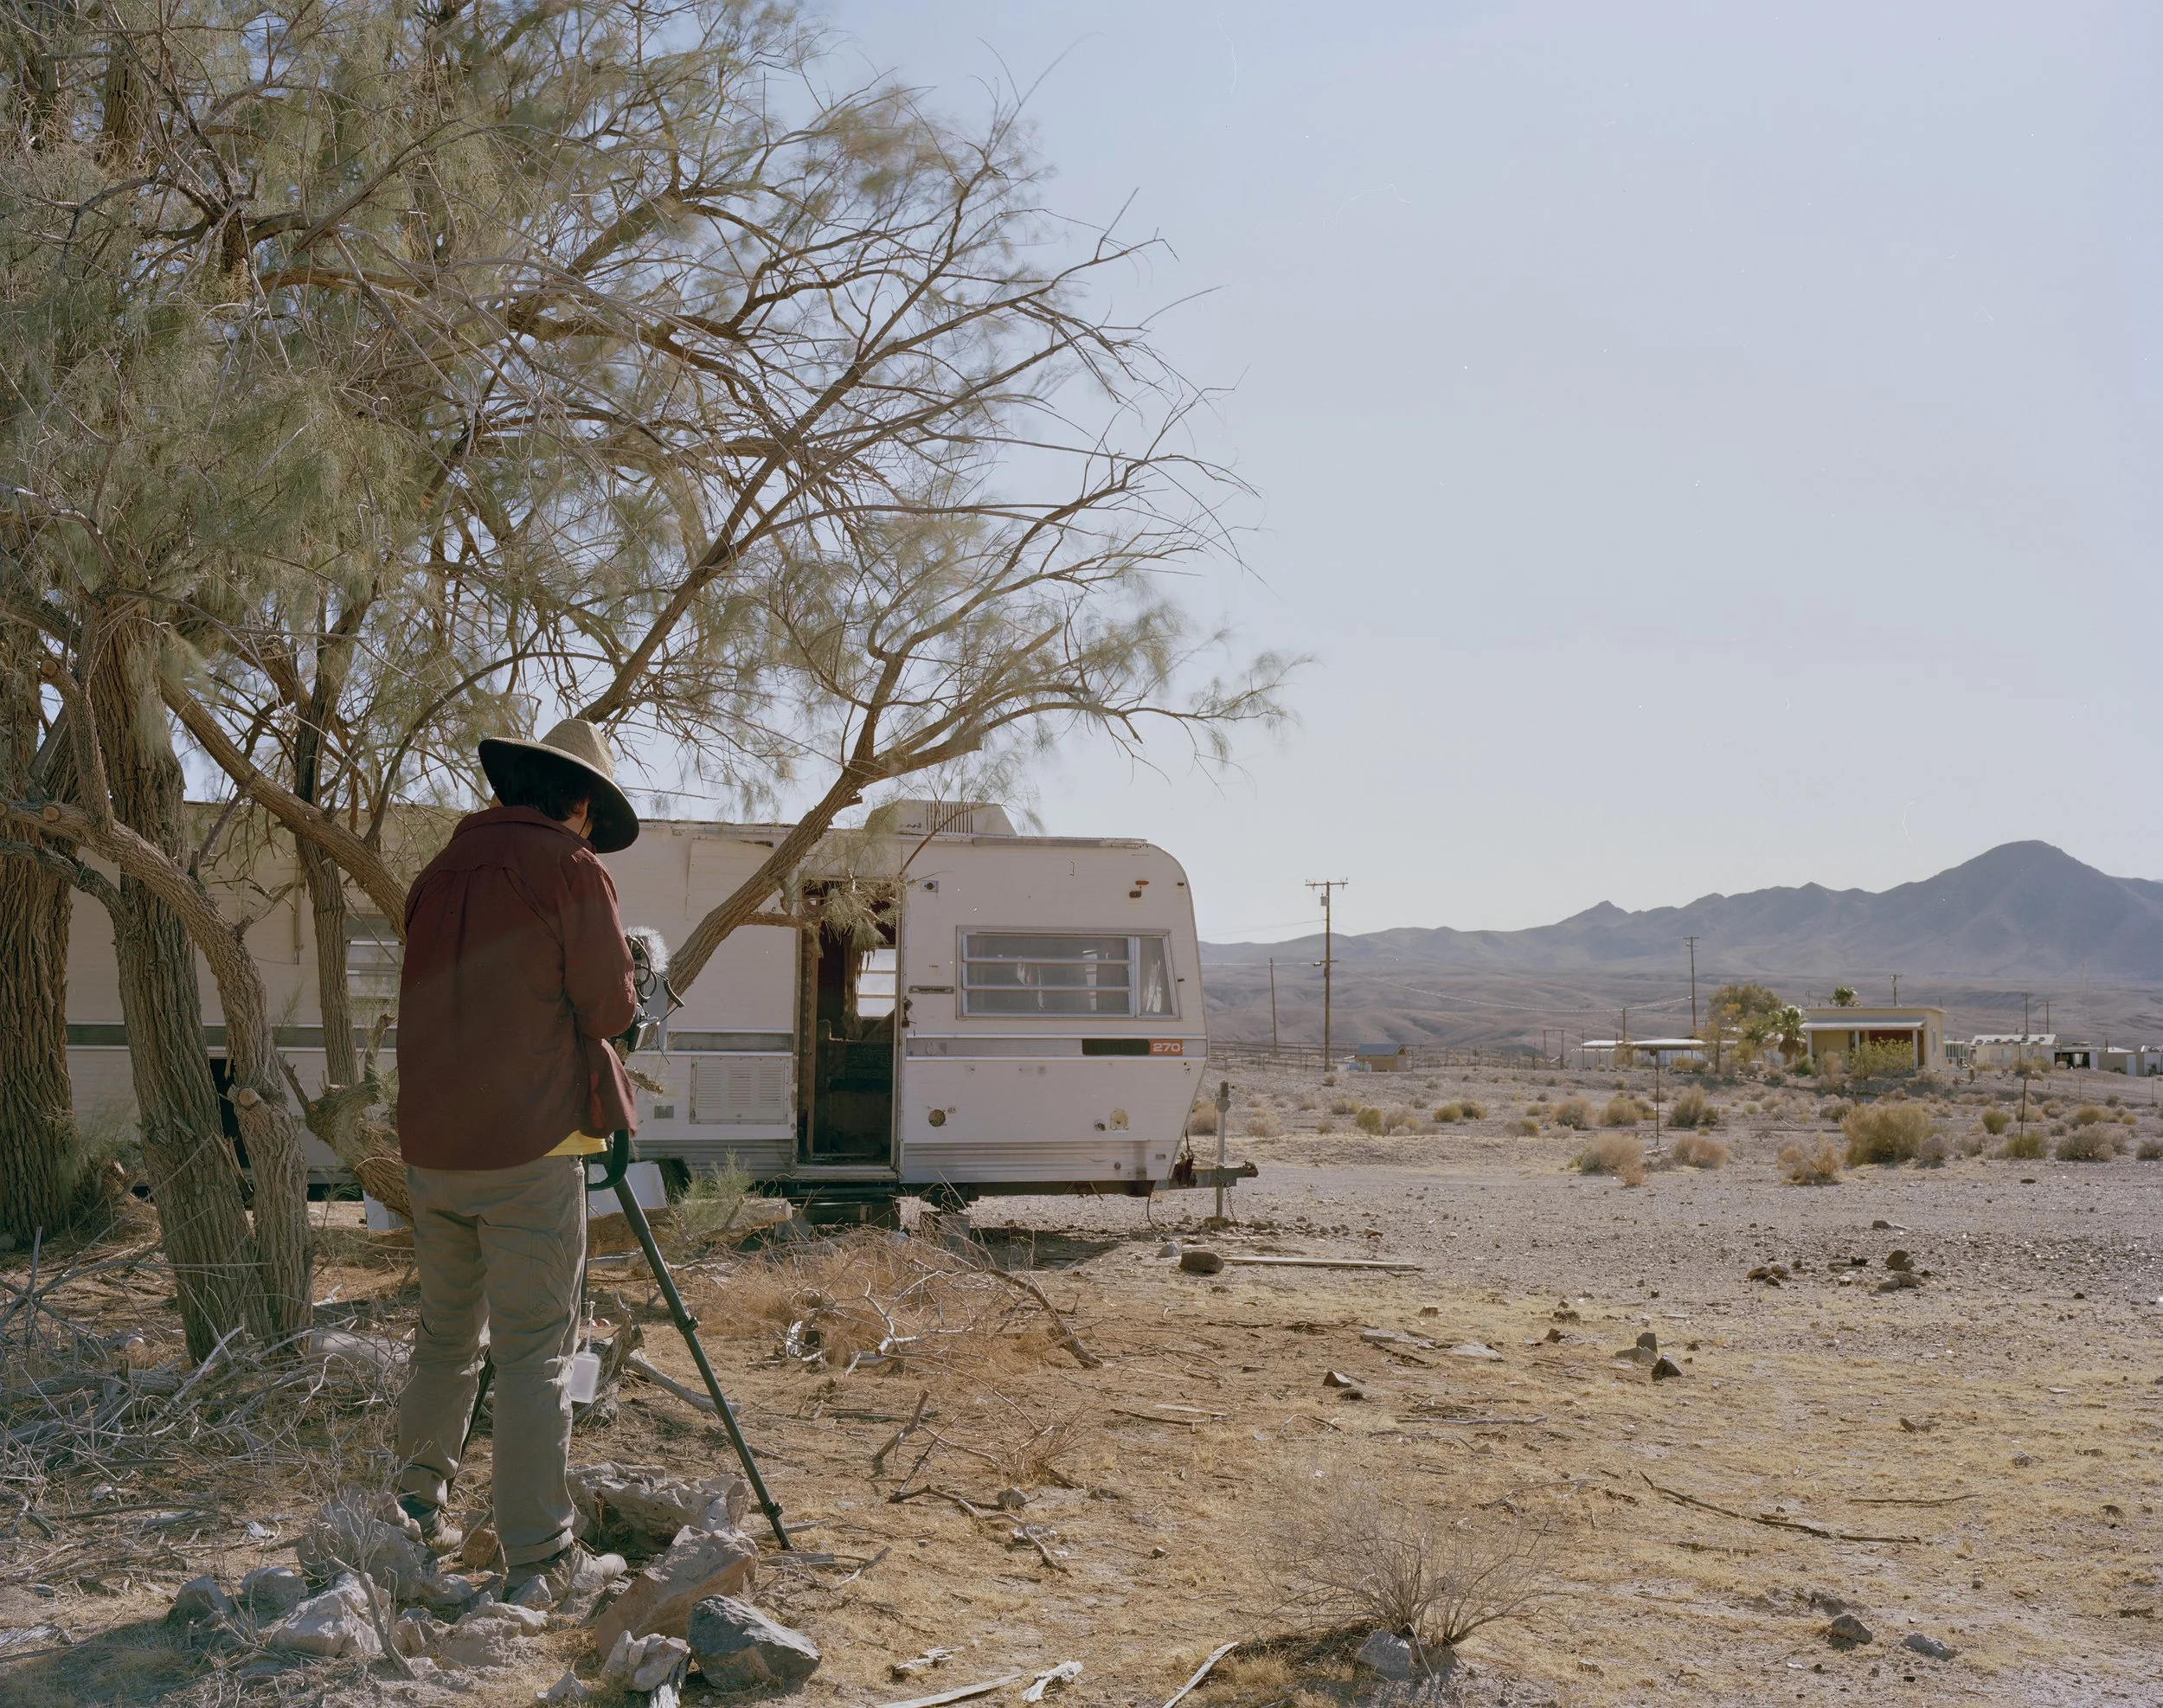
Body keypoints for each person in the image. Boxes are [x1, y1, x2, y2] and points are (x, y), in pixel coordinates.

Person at [390, 717, 640, 1603]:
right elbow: (608, 1009)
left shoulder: (436, 874)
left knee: (447, 1339)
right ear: (578, 802)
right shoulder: (570, 868)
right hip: (529, 1144)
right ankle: (540, 1555)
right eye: (589, 816)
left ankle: (411, 1513)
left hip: (432, 1148)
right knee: (538, 1352)